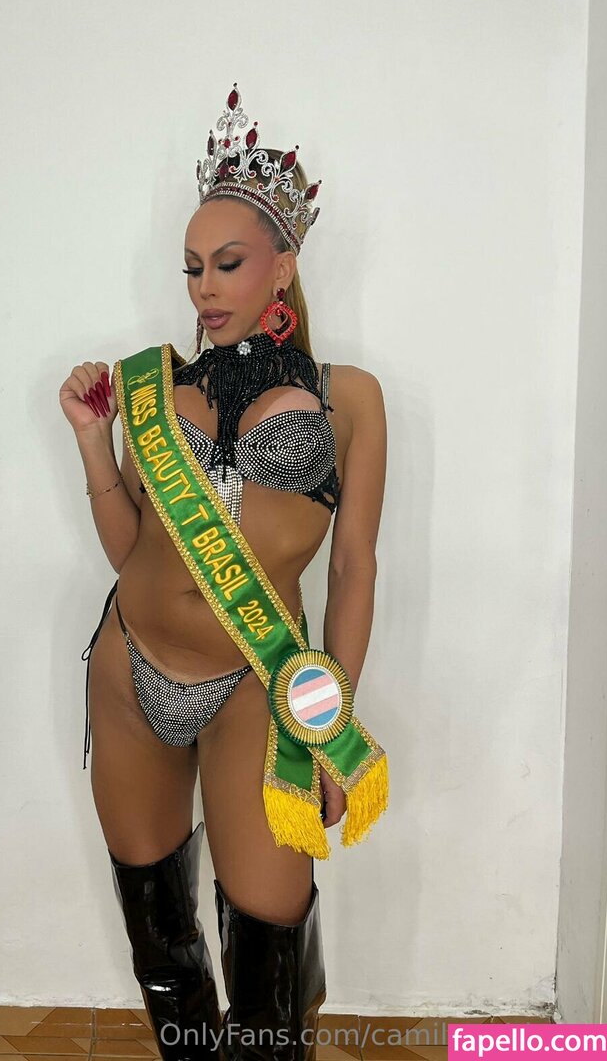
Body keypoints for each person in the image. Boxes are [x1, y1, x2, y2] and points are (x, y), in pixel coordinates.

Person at [59, 84, 388, 1061]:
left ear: (284, 263)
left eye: (229, 262)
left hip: (258, 682)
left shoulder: (353, 400)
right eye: (194, 267)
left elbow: (355, 570)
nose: (206, 287)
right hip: (129, 671)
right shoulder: (154, 387)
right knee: (161, 941)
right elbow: (133, 551)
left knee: (271, 937)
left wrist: (328, 729)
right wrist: (93, 444)